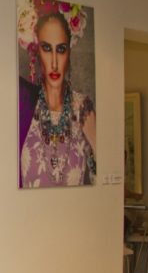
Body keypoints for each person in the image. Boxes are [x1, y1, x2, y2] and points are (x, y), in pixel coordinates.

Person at [20, 12, 95, 187]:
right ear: (37, 52)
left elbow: (102, 185)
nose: (54, 63)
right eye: (47, 48)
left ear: (69, 52)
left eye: (60, 50)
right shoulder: (24, 104)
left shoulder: (83, 108)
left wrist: (96, 142)